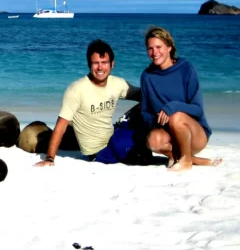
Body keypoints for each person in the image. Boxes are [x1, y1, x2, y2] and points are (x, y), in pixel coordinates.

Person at [34, 39, 141, 167]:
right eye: (95, 63)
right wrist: (50, 158)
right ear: (89, 64)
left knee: (146, 105)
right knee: (138, 151)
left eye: (104, 62)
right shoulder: (77, 89)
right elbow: (61, 127)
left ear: (112, 64)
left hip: (114, 135)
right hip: (98, 150)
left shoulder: (117, 83)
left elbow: (144, 95)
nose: (100, 67)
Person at [141, 26, 220, 171]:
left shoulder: (186, 68)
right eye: (150, 48)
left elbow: (197, 110)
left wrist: (172, 107)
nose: (154, 52)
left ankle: (186, 161)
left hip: (195, 134)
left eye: (159, 47)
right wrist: (157, 122)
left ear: (169, 47)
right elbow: (145, 112)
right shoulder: (147, 76)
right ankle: (191, 158)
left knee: (176, 117)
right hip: (169, 135)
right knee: (153, 141)